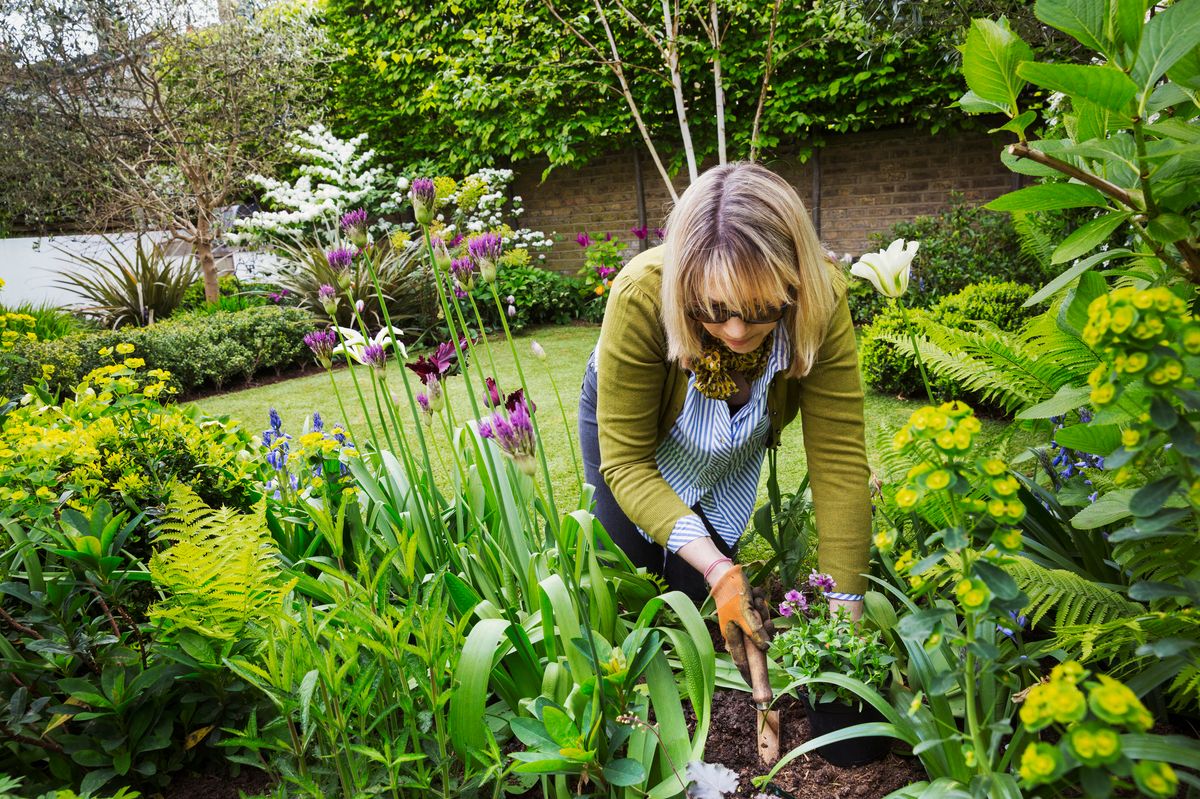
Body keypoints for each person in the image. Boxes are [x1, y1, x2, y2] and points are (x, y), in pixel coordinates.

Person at [577, 161, 872, 680]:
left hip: (733, 439)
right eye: (713, 307)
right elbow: (625, 462)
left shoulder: (821, 299)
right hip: (637, 430)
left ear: (793, 281)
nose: (735, 330)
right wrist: (718, 566)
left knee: (688, 599)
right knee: (629, 586)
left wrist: (845, 621)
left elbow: (840, 461)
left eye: (761, 307)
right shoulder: (641, 295)